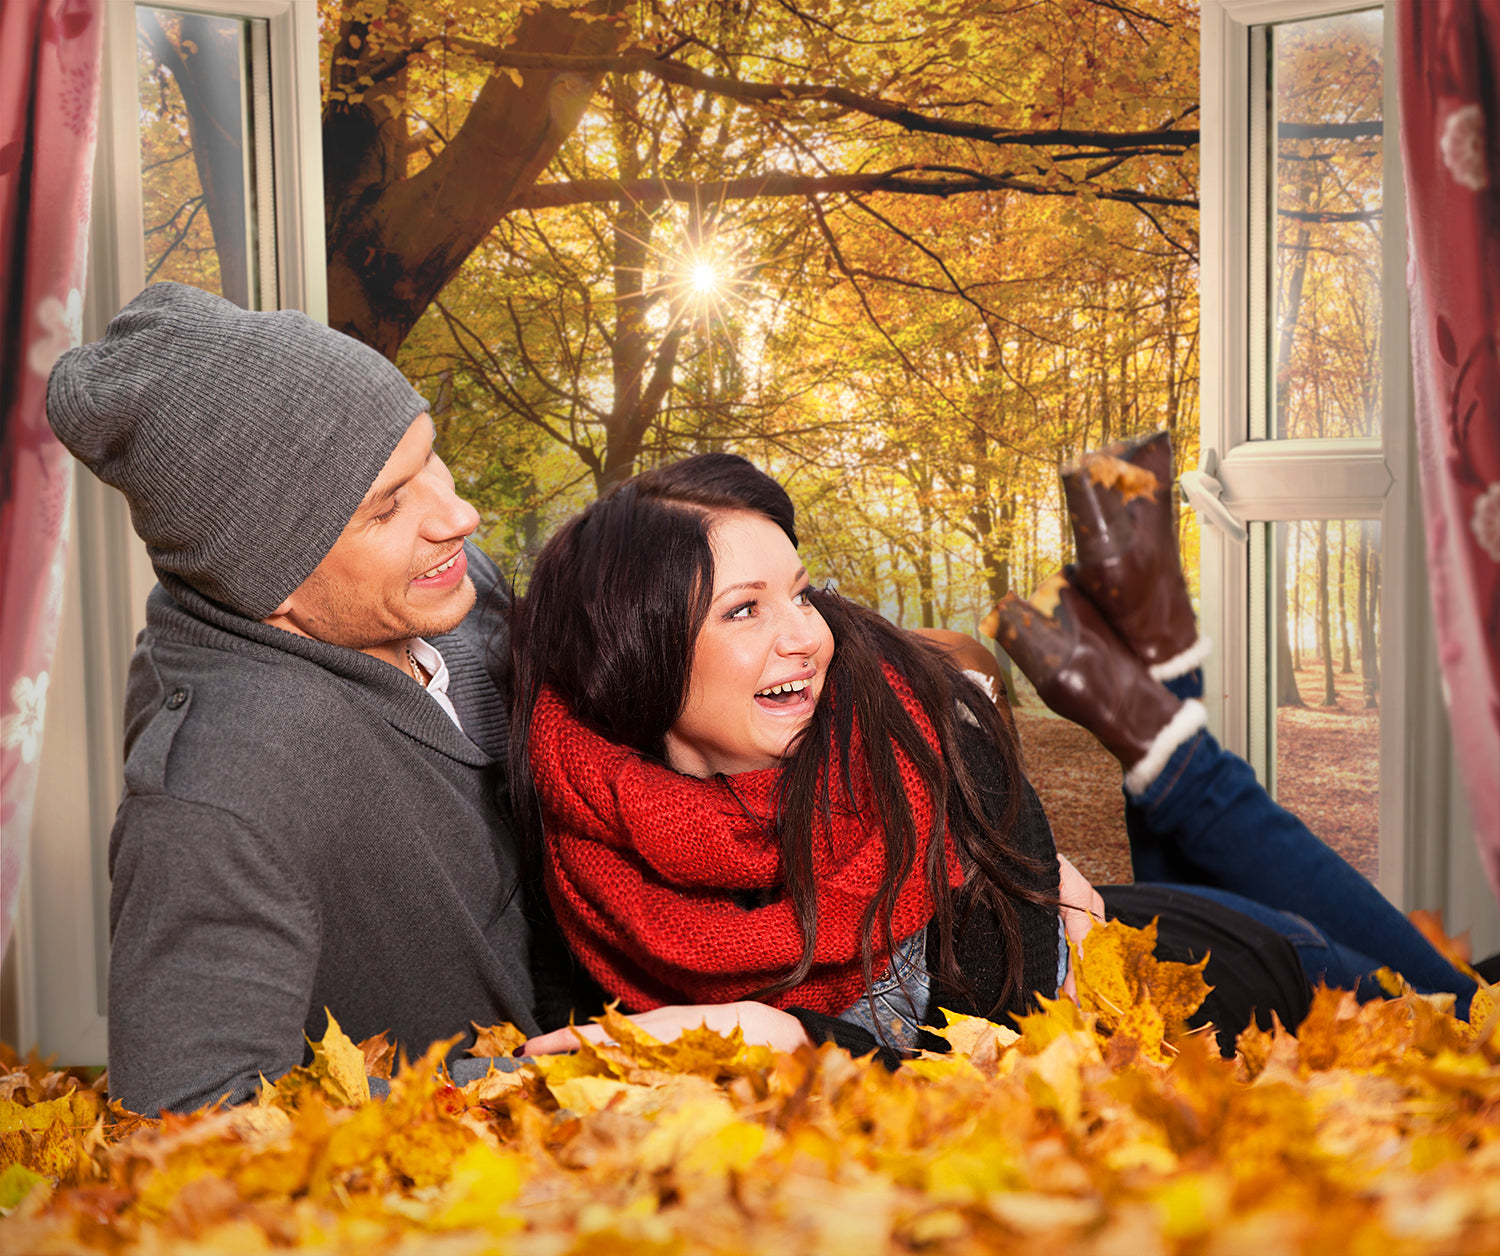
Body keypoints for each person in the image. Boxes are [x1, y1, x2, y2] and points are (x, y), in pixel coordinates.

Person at [44, 283, 806, 1115]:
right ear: (272, 581)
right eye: (388, 506)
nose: (460, 515)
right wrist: (587, 1079)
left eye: (429, 460)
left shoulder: (443, 589)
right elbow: (185, 1116)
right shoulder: (222, 784)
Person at [509, 447, 1477, 1061]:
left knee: (1475, 1023)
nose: (804, 633)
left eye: (800, 592)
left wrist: (784, 1035)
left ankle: (1161, 716)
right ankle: (1158, 697)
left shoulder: (906, 736)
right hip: (1136, 995)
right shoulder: (580, 838)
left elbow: (987, 1057)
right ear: (636, 657)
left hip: (1219, 979)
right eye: (745, 610)